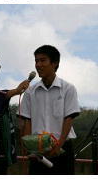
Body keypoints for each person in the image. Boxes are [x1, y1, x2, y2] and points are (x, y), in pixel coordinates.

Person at [19, 45, 80, 175]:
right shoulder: (30, 91)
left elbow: (68, 119)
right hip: (37, 149)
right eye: (36, 61)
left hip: (62, 148)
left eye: (43, 60)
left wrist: (58, 146)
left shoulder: (68, 89)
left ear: (55, 63)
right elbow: (27, 120)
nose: (38, 65)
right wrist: (29, 148)